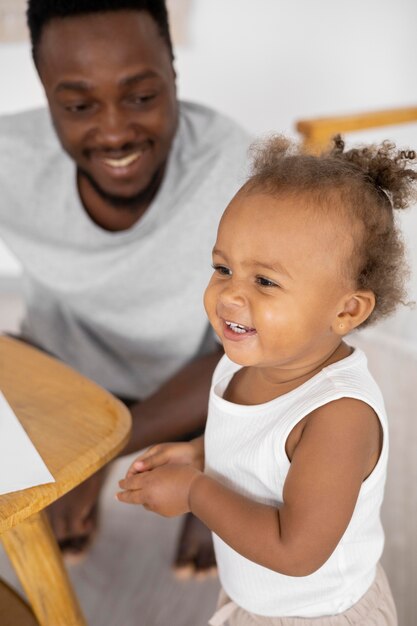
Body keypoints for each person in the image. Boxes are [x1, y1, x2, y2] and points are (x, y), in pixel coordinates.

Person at [117, 135, 417, 624]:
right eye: (223, 268)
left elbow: (295, 551)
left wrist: (195, 491)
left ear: (346, 310)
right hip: (257, 597)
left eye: (265, 281)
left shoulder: (338, 418)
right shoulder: (248, 357)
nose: (230, 295)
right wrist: (201, 452)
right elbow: (259, 447)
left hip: (313, 614)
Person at [0, 0, 251, 574]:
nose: (114, 131)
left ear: (173, 74)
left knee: (305, 359)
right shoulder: (10, 157)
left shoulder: (234, 166)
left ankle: (214, 462)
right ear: (45, 97)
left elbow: (270, 342)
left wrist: (94, 456)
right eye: (79, 105)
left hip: (194, 384)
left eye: (141, 97)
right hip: (62, 378)